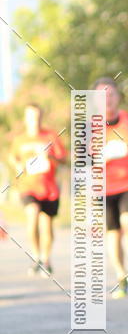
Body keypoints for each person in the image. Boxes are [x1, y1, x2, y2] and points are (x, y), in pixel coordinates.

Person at [93, 77, 128, 298]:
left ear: (118, 97)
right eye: (102, 96)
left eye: (111, 95)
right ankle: (120, 275)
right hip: (105, 187)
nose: (107, 100)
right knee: (114, 232)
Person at [9, 103, 66, 276]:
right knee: (32, 214)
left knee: (46, 226)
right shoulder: (20, 140)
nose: (34, 119)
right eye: (31, 116)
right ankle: (36, 256)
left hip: (49, 188)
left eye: (37, 115)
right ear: (26, 119)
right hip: (28, 186)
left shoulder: (50, 136)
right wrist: (17, 164)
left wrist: (51, 156)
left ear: (41, 117)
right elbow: (13, 156)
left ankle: (45, 258)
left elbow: (63, 159)